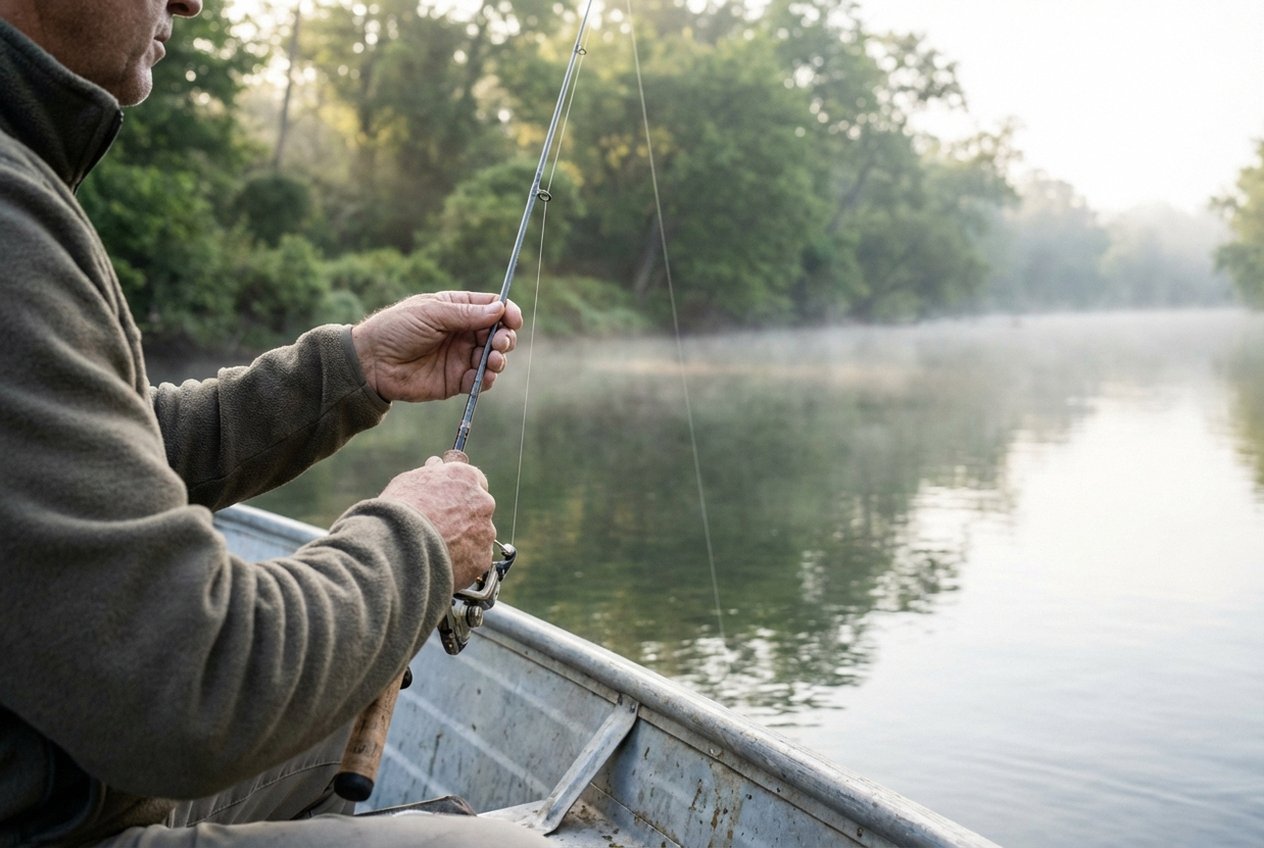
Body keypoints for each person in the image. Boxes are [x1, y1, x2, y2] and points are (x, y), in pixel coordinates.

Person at [0, 0, 552, 845]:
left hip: (61, 784)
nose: (188, 2)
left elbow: (99, 456)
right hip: (50, 821)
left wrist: (352, 369)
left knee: (332, 710)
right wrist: (418, 542)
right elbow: (191, 686)